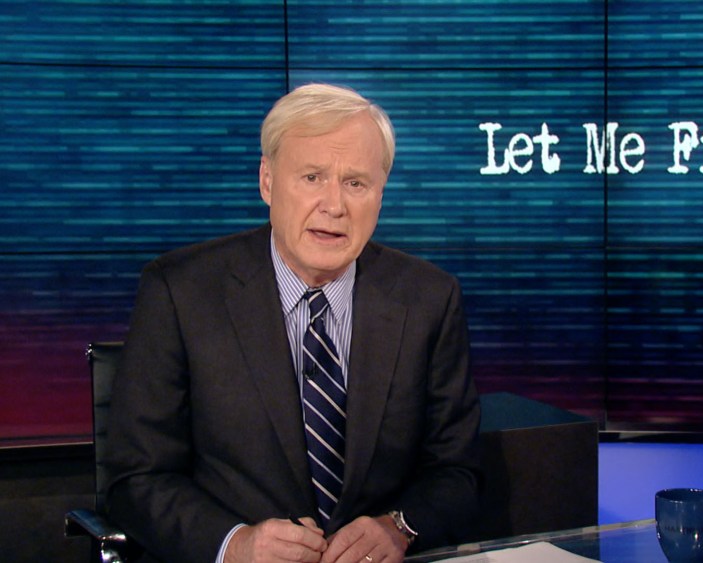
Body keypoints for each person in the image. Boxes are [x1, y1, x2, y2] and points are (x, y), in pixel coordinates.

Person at [105, 83, 481, 563]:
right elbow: (135, 479)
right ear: (267, 181)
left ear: (381, 195)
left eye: (356, 183)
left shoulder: (428, 299)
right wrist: (234, 544)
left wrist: (400, 527)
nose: (334, 205)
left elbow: (458, 471)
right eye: (312, 177)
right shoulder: (181, 292)